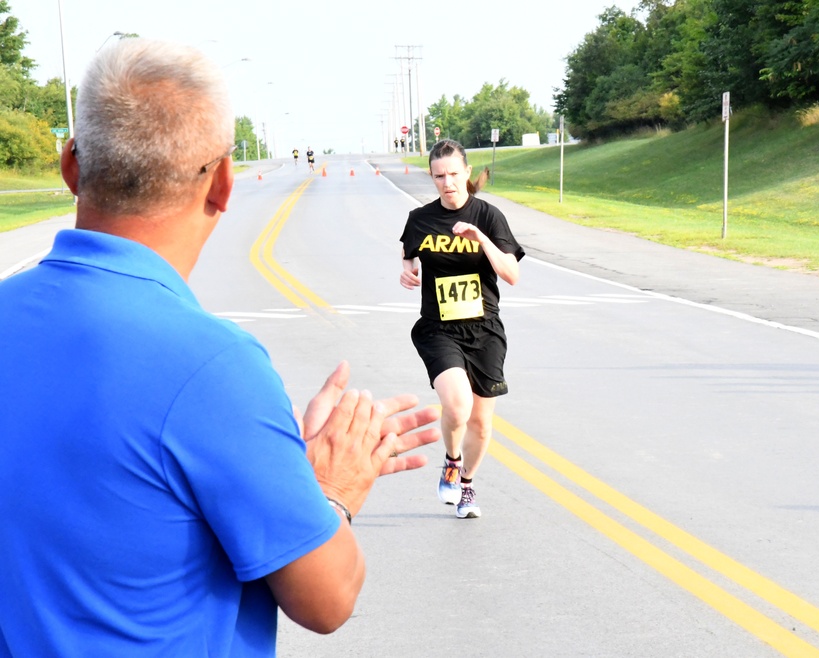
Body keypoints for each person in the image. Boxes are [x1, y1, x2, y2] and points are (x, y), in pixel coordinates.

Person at [0, 39, 440, 657]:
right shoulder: (212, 367)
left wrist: (277, 473)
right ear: (225, 183)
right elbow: (329, 596)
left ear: (71, 166)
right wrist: (331, 488)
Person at [399, 139, 524, 519]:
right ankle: (451, 462)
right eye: (439, 176)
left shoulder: (489, 216)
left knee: (482, 425)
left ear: (466, 173)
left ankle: (466, 485)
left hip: (485, 329)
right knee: (457, 405)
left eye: (454, 174)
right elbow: (408, 254)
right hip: (439, 328)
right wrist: (407, 269)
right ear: (432, 177)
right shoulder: (420, 219)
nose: (447, 182)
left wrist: (480, 238)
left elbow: (511, 274)